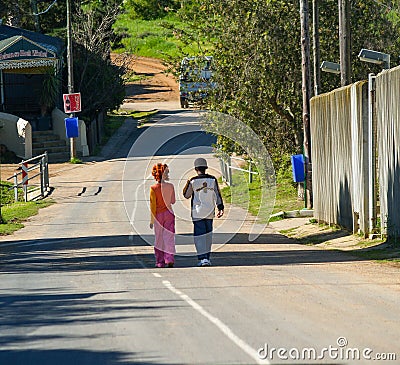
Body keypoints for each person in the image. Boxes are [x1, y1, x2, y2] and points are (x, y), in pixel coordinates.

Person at [183, 157, 224, 266]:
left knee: (199, 235)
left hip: (197, 212)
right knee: (208, 235)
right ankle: (207, 257)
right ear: (206, 168)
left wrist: (188, 183)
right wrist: (220, 208)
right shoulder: (213, 179)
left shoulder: (193, 180)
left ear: (196, 168)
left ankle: (202, 258)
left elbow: (186, 195)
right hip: (210, 212)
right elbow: (217, 195)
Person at [150, 163, 176, 268]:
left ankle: (160, 261)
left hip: (158, 216)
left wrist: (152, 220)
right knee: (169, 237)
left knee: (159, 238)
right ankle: (169, 258)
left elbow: (153, 205)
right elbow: (173, 201)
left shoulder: (153, 188)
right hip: (169, 213)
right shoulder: (170, 186)